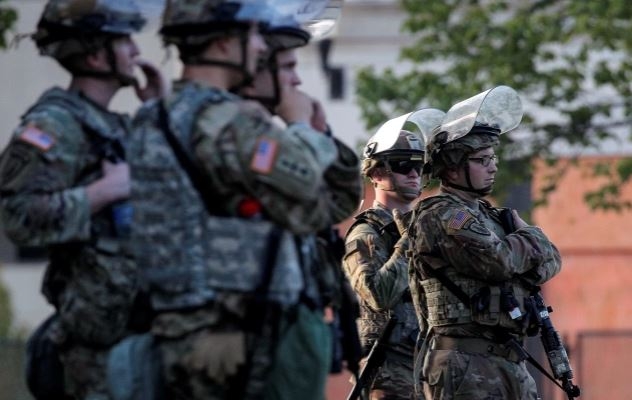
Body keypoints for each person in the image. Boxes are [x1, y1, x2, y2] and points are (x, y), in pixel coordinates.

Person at [127, 0, 362, 399]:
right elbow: (308, 193)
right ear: (223, 43)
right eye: (252, 35)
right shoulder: (232, 122)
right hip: (240, 328)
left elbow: (325, 208)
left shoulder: (155, 117)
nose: (258, 46)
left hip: (181, 321)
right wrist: (302, 128)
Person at [0, 0, 166, 399]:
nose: (136, 51)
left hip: (133, 334)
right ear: (95, 55)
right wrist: (103, 191)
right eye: (124, 40)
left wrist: (158, 109)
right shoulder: (53, 124)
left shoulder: (112, 125)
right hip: (92, 352)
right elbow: (16, 215)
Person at [407, 86, 562, 399]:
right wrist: (531, 237)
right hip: (465, 366)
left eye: (493, 158)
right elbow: (497, 262)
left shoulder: (490, 216)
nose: (493, 166)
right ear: (452, 168)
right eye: (481, 160)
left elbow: (551, 262)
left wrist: (524, 250)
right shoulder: (442, 215)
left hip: (508, 360)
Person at [342, 109, 444, 400]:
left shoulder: (425, 226)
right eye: (402, 165)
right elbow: (378, 294)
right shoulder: (366, 232)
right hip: (388, 369)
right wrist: (409, 242)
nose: (413, 174)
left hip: (430, 366)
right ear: (376, 173)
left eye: (418, 166)